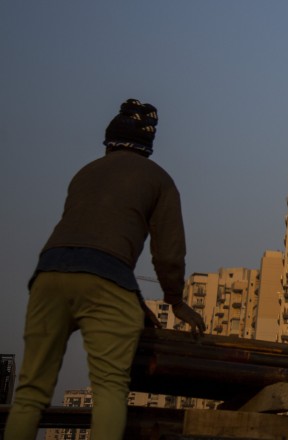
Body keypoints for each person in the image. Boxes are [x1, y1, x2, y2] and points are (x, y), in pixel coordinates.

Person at [4, 99, 205, 440]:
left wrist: (134, 302)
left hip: (49, 274)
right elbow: (168, 253)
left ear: (109, 141)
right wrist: (174, 300)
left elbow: (88, 244)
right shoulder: (159, 180)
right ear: (148, 145)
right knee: (110, 388)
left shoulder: (85, 172)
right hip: (107, 280)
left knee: (30, 391)